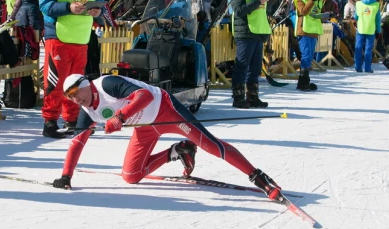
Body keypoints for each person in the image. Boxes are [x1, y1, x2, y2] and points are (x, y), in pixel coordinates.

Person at [52, 73, 284, 203]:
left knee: (210, 145)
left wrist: (120, 117)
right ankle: (179, 150)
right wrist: (66, 175)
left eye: (75, 93)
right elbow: (77, 142)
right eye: (69, 97)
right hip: (144, 127)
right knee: (131, 176)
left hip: (165, 110)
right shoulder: (87, 111)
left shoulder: (105, 85)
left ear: (85, 85)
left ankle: (259, 177)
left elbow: (142, 96)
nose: (74, 100)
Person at [38, 0, 104, 138]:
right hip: (58, 36)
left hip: (81, 38)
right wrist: (69, 7)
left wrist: (96, 12)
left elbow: (100, 2)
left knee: (77, 83)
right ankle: (50, 121)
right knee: (55, 83)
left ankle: (72, 120)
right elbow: (45, 5)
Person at [229, 0, 270, 109]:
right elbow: (238, 11)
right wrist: (258, 1)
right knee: (242, 67)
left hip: (257, 35)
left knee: (255, 68)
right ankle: (238, 97)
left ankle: (252, 97)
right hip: (245, 34)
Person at [294, 0, 329, 91]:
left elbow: (320, 14)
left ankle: (304, 81)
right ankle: (303, 82)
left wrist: (326, 15)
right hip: (304, 30)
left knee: (309, 57)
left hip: (314, 31)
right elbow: (303, 11)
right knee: (305, 56)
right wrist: (312, 0)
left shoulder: (319, 0)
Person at [353, 0, 381, 73]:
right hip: (371, 30)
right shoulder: (376, 5)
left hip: (361, 29)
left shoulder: (359, 4)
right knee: (368, 49)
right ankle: (367, 68)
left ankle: (358, 67)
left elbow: (355, 17)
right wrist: (378, 31)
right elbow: (378, 20)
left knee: (358, 48)